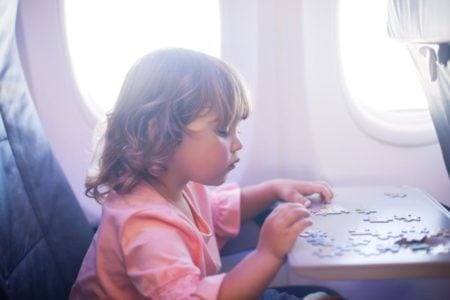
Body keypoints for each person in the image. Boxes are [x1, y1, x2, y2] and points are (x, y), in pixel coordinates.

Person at [70, 48, 338, 300]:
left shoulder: (178, 185)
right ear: (158, 134)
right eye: (222, 131)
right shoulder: (144, 227)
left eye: (237, 129)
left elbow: (219, 211)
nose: (237, 144)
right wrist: (267, 254)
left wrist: (272, 190)